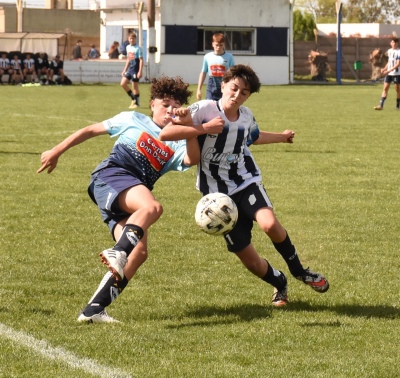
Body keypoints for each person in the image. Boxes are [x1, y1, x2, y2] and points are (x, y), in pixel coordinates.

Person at [37, 76, 223, 323]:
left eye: (175, 106)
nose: (169, 110)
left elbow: (192, 159)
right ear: (152, 104)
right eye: (164, 103)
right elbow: (90, 130)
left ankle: (94, 309)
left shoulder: (178, 141)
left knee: (139, 252)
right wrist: (56, 150)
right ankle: (117, 251)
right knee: (153, 207)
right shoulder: (133, 119)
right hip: (111, 176)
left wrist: (190, 127)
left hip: (132, 193)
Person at [160, 64, 329, 307]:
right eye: (234, 88)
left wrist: (282, 137)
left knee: (270, 224)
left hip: (245, 182)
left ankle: (300, 271)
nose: (237, 95)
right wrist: (203, 128)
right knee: (251, 262)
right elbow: (166, 134)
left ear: (248, 96)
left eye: (244, 92)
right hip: (218, 198)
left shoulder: (246, 116)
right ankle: (279, 283)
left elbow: (254, 136)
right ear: (223, 85)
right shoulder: (204, 109)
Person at [196, 32, 235, 101]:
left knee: (223, 109)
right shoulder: (207, 57)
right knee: (209, 107)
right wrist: (199, 89)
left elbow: (234, 74)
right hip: (211, 87)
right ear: (213, 44)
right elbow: (203, 72)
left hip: (224, 86)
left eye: (221, 45)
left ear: (224, 45)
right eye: (217, 45)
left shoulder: (229, 57)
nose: (218, 47)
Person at [374, 37, 400, 111]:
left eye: (395, 42)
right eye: (393, 42)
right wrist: (384, 68)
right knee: (385, 88)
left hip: (397, 73)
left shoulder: (399, 52)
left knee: (397, 89)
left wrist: (388, 71)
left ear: (397, 43)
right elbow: (389, 62)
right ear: (390, 43)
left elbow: (398, 64)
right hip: (389, 73)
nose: (394, 44)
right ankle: (381, 105)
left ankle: (398, 105)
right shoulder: (389, 51)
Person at [121, 32, 144, 109]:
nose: (132, 40)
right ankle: (133, 98)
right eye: (130, 38)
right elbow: (128, 59)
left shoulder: (138, 48)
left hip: (136, 70)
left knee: (134, 86)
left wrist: (140, 71)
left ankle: (137, 103)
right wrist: (124, 70)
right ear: (128, 39)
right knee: (123, 83)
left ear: (135, 39)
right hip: (130, 69)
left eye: (133, 39)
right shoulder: (128, 47)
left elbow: (141, 60)